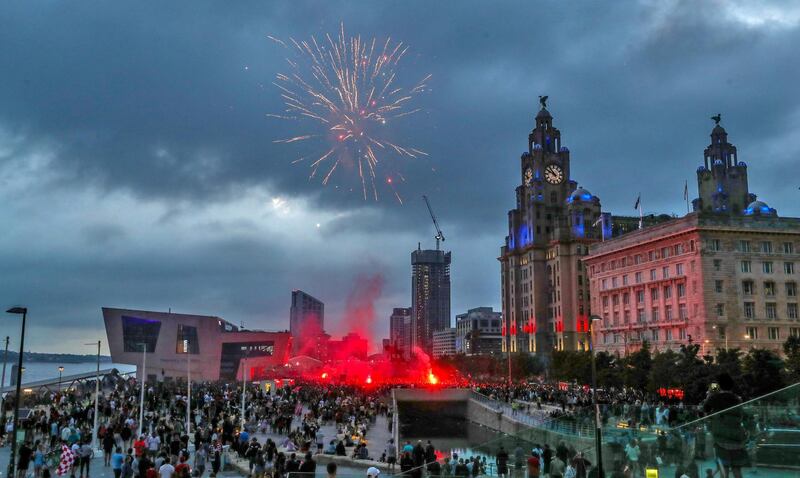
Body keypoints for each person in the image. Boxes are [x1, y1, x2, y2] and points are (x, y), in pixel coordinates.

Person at [703, 373, 750, 478]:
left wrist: (710, 395)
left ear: (719, 385)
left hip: (722, 440)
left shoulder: (715, 398)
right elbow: (741, 415)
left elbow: (704, 411)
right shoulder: (737, 399)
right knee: (737, 471)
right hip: (737, 440)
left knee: (724, 472)